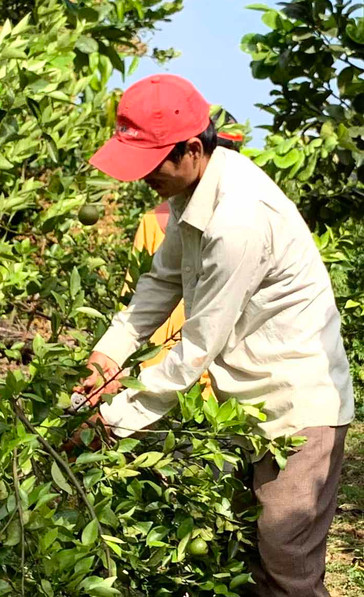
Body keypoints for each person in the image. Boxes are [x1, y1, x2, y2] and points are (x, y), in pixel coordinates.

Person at [79, 74, 354, 596]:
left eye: (151, 164)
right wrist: (105, 357)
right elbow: (160, 283)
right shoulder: (194, 192)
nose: (142, 179)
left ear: (189, 150)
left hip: (295, 408)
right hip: (248, 404)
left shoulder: (239, 219)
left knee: (286, 570)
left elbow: (199, 343)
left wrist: (114, 419)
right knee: (248, 561)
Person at [126, 111, 244, 396]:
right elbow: (155, 288)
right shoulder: (171, 214)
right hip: (178, 369)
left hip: (176, 364)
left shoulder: (238, 220)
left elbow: (137, 292)